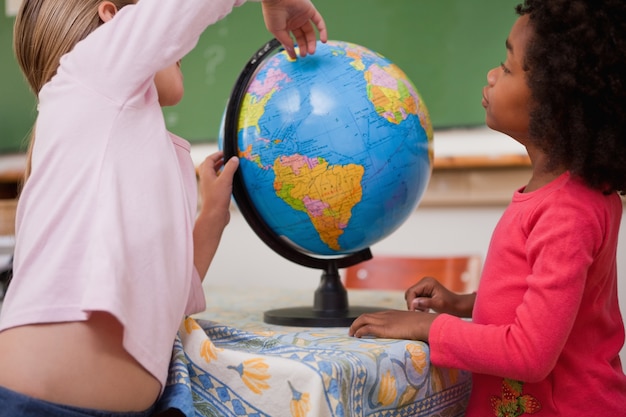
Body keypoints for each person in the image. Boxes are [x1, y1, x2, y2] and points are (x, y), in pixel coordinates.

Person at [0, 0, 326, 415]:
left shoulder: (125, 145)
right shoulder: (90, 69)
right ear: (114, 18)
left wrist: (211, 217)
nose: (179, 50)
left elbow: (165, 299)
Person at [350, 1, 626, 416]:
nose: (492, 74)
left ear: (557, 101)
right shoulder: (567, 196)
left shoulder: (568, 212)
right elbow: (544, 303)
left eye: (508, 67)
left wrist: (429, 328)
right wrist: (461, 304)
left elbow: (530, 354)